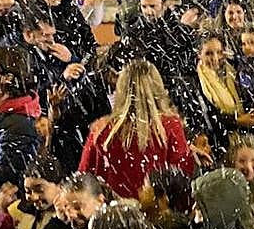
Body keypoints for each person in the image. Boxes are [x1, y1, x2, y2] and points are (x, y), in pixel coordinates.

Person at [78, 59, 195, 199]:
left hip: (116, 213)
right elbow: (182, 178)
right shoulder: (170, 125)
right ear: (158, 87)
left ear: (121, 90)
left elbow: (84, 179)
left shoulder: (102, 130)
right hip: (158, 211)